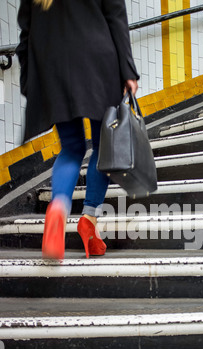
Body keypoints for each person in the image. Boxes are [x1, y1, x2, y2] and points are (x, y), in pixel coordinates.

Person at [16, 0, 139, 260]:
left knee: (72, 148)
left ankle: (58, 207)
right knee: (103, 146)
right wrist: (128, 70)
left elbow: (25, 34)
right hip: (97, 62)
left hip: (52, 69)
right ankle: (89, 220)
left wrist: (30, 82)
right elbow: (115, 17)